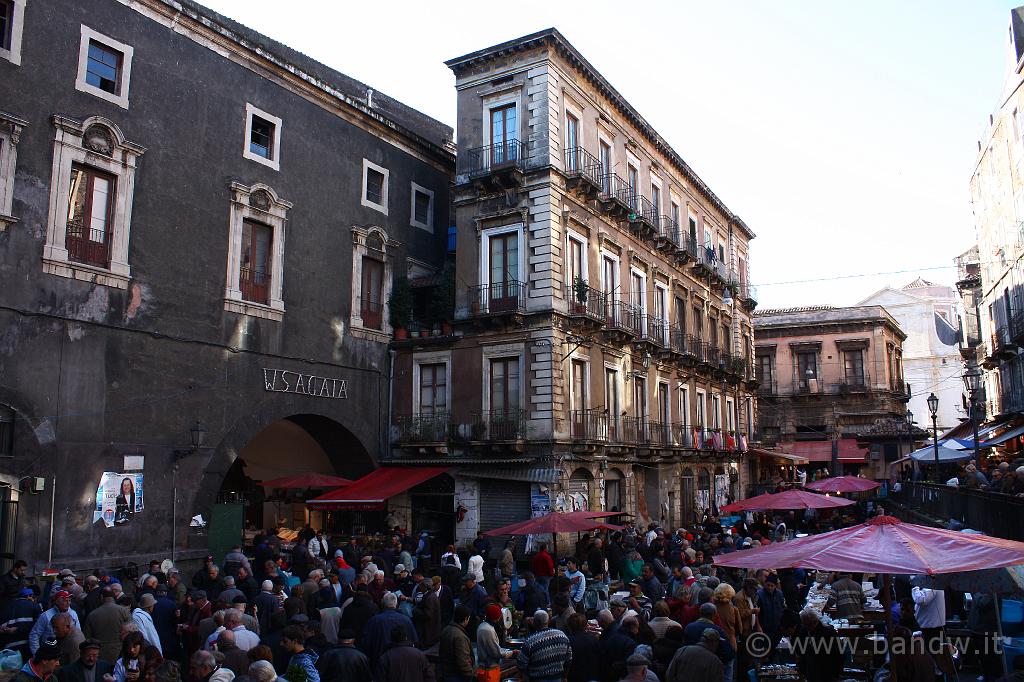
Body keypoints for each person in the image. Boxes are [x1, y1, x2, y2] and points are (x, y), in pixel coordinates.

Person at [359, 593, 417, 677]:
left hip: (379, 665)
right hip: (403, 666)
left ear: (382, 604)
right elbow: (414, 642)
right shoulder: (406, 620)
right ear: (396, 604)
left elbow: (365, 643)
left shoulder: (374, 620)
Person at [516, 610, 572, 682]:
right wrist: (564, 677)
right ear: (548, 621)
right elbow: (568, 660)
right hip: (558, 678)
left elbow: (521, 664)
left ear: (534, 623)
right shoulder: (562, 635)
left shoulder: (530, 641)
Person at [793, 609, 843, 682]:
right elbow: (800, 651)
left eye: (811, 624)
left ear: (816, 621)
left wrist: (836, 674)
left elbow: (838, 654)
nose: (810, 627)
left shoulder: (828, 632)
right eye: (807, 624)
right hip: (811, 670)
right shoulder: (803, 631)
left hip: (826, 671)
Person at [83, 588, 129, 663]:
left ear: (101, 597)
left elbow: (87, 637)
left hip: (100, 655)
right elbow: (132, 632)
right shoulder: (123, 611)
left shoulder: (92, 614)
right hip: (120, 653)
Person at [438, 606, 473, 682]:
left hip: (446, 673)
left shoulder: (446, 629)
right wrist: (469, 675)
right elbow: (463, 660)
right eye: (469, 618)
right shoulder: (460, 637)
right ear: (466, 619)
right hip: (457, 676)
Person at [566, 613, 601, 682]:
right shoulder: (593, 639)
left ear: (570, 626)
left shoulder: (568, 641)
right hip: (592, 676)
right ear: (585, 625)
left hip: (574, 677)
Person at [910, 585, 946, 654]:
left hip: (932, 630)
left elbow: (921, 599)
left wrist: (915, 587)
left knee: (930, 657)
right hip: (928, 628)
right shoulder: (931, 584)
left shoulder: (932, 583)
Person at [411, 579, 441, 649]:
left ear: (425, 586)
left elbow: (428, 614)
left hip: (429, 630)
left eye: (421, 585)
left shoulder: (430, 597)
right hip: (429, 629)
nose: (419, 587)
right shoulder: (429, 595)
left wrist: (416, 611)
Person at [757, 575, 786, 645]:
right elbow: (756, 613)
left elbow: (782, 607)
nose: (769, 587)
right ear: (765, 584)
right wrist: (758, 626)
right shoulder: (759, 595)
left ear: (775, 586)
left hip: (777, 627)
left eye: (772, 586)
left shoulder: (779, 594)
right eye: (768, 585)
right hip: (764, 628)